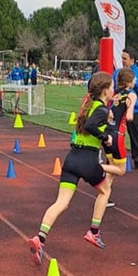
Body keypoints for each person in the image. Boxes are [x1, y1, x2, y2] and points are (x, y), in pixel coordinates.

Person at [27, 72, 117, 265]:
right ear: (104, 90)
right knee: (105, 190)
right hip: (87, 159)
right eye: (112, 86)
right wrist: (106, 138)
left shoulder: (88, 104)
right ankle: (93, 232)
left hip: (72, 159)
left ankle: (40, 239)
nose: (114, 89)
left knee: (61, 202)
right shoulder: (100, 108)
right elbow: (93, 126)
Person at [103, 68, 137, 208]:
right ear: (129, 82)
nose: (135, 81)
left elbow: (108, 112)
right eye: (134, 79)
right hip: (118, 135)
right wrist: (130, 114)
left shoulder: (115, 95)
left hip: (107, 132)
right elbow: (129, 116)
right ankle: (95, 167)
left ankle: (104, 196)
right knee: (121, 170)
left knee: (112, 168)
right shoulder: (131, 95)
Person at [113, 47, 138, 170]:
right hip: (118, 111)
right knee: (114, 133)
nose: (122, 60)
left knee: (135, 135)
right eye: (122, 58)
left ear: (132, 60)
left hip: (135, 111)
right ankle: (114, 157)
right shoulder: (116, 73)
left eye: (125, 58)